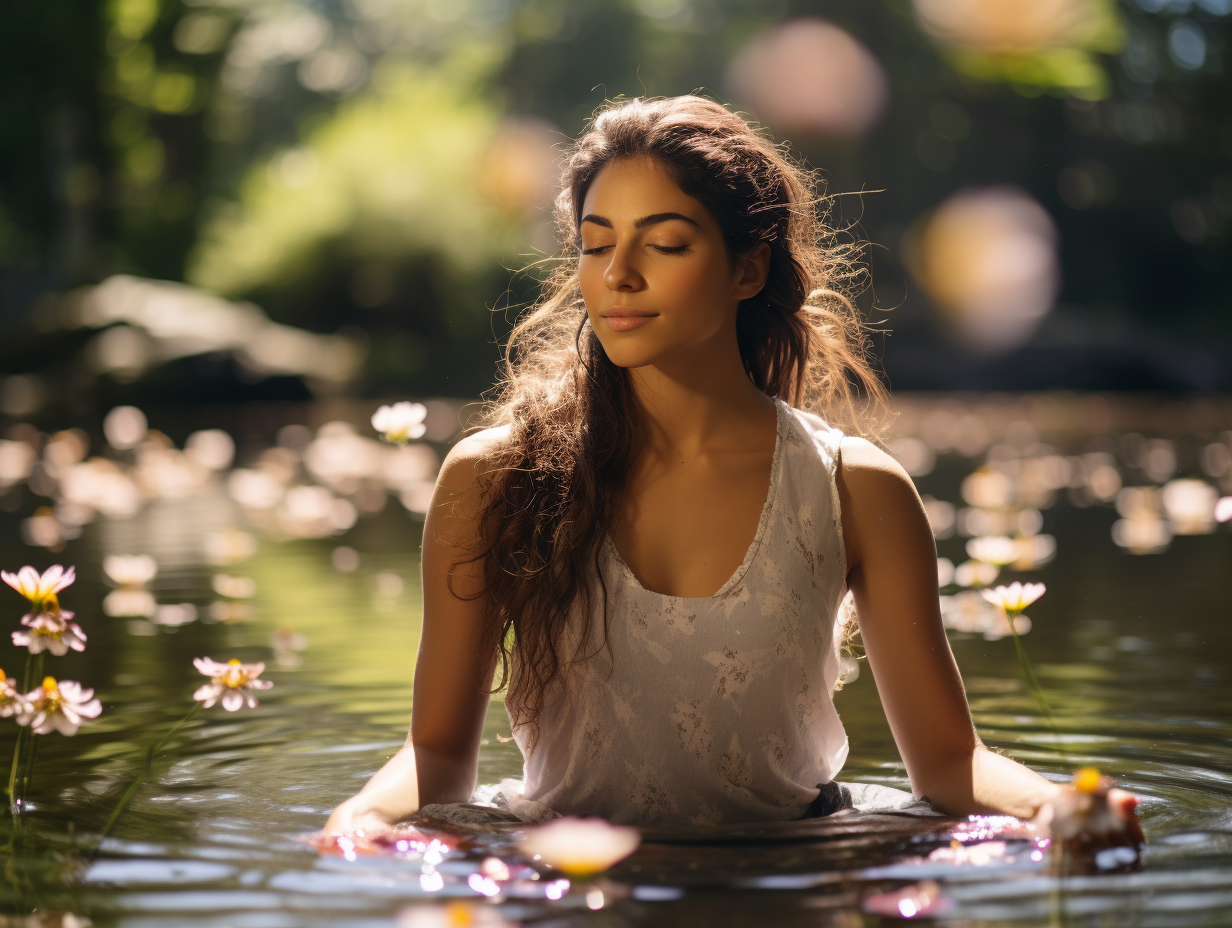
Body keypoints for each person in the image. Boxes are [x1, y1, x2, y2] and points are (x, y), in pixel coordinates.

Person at [325, 96, 1141, 837]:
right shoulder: (494, 478)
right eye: (597, 244)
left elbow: (947, 765)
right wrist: (361, 817)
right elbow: (437, 755)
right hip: (567, 880)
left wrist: (1054, 806)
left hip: (795, 866)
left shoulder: (856, 489)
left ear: (747, 268)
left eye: (666, 244)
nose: (619, 277)